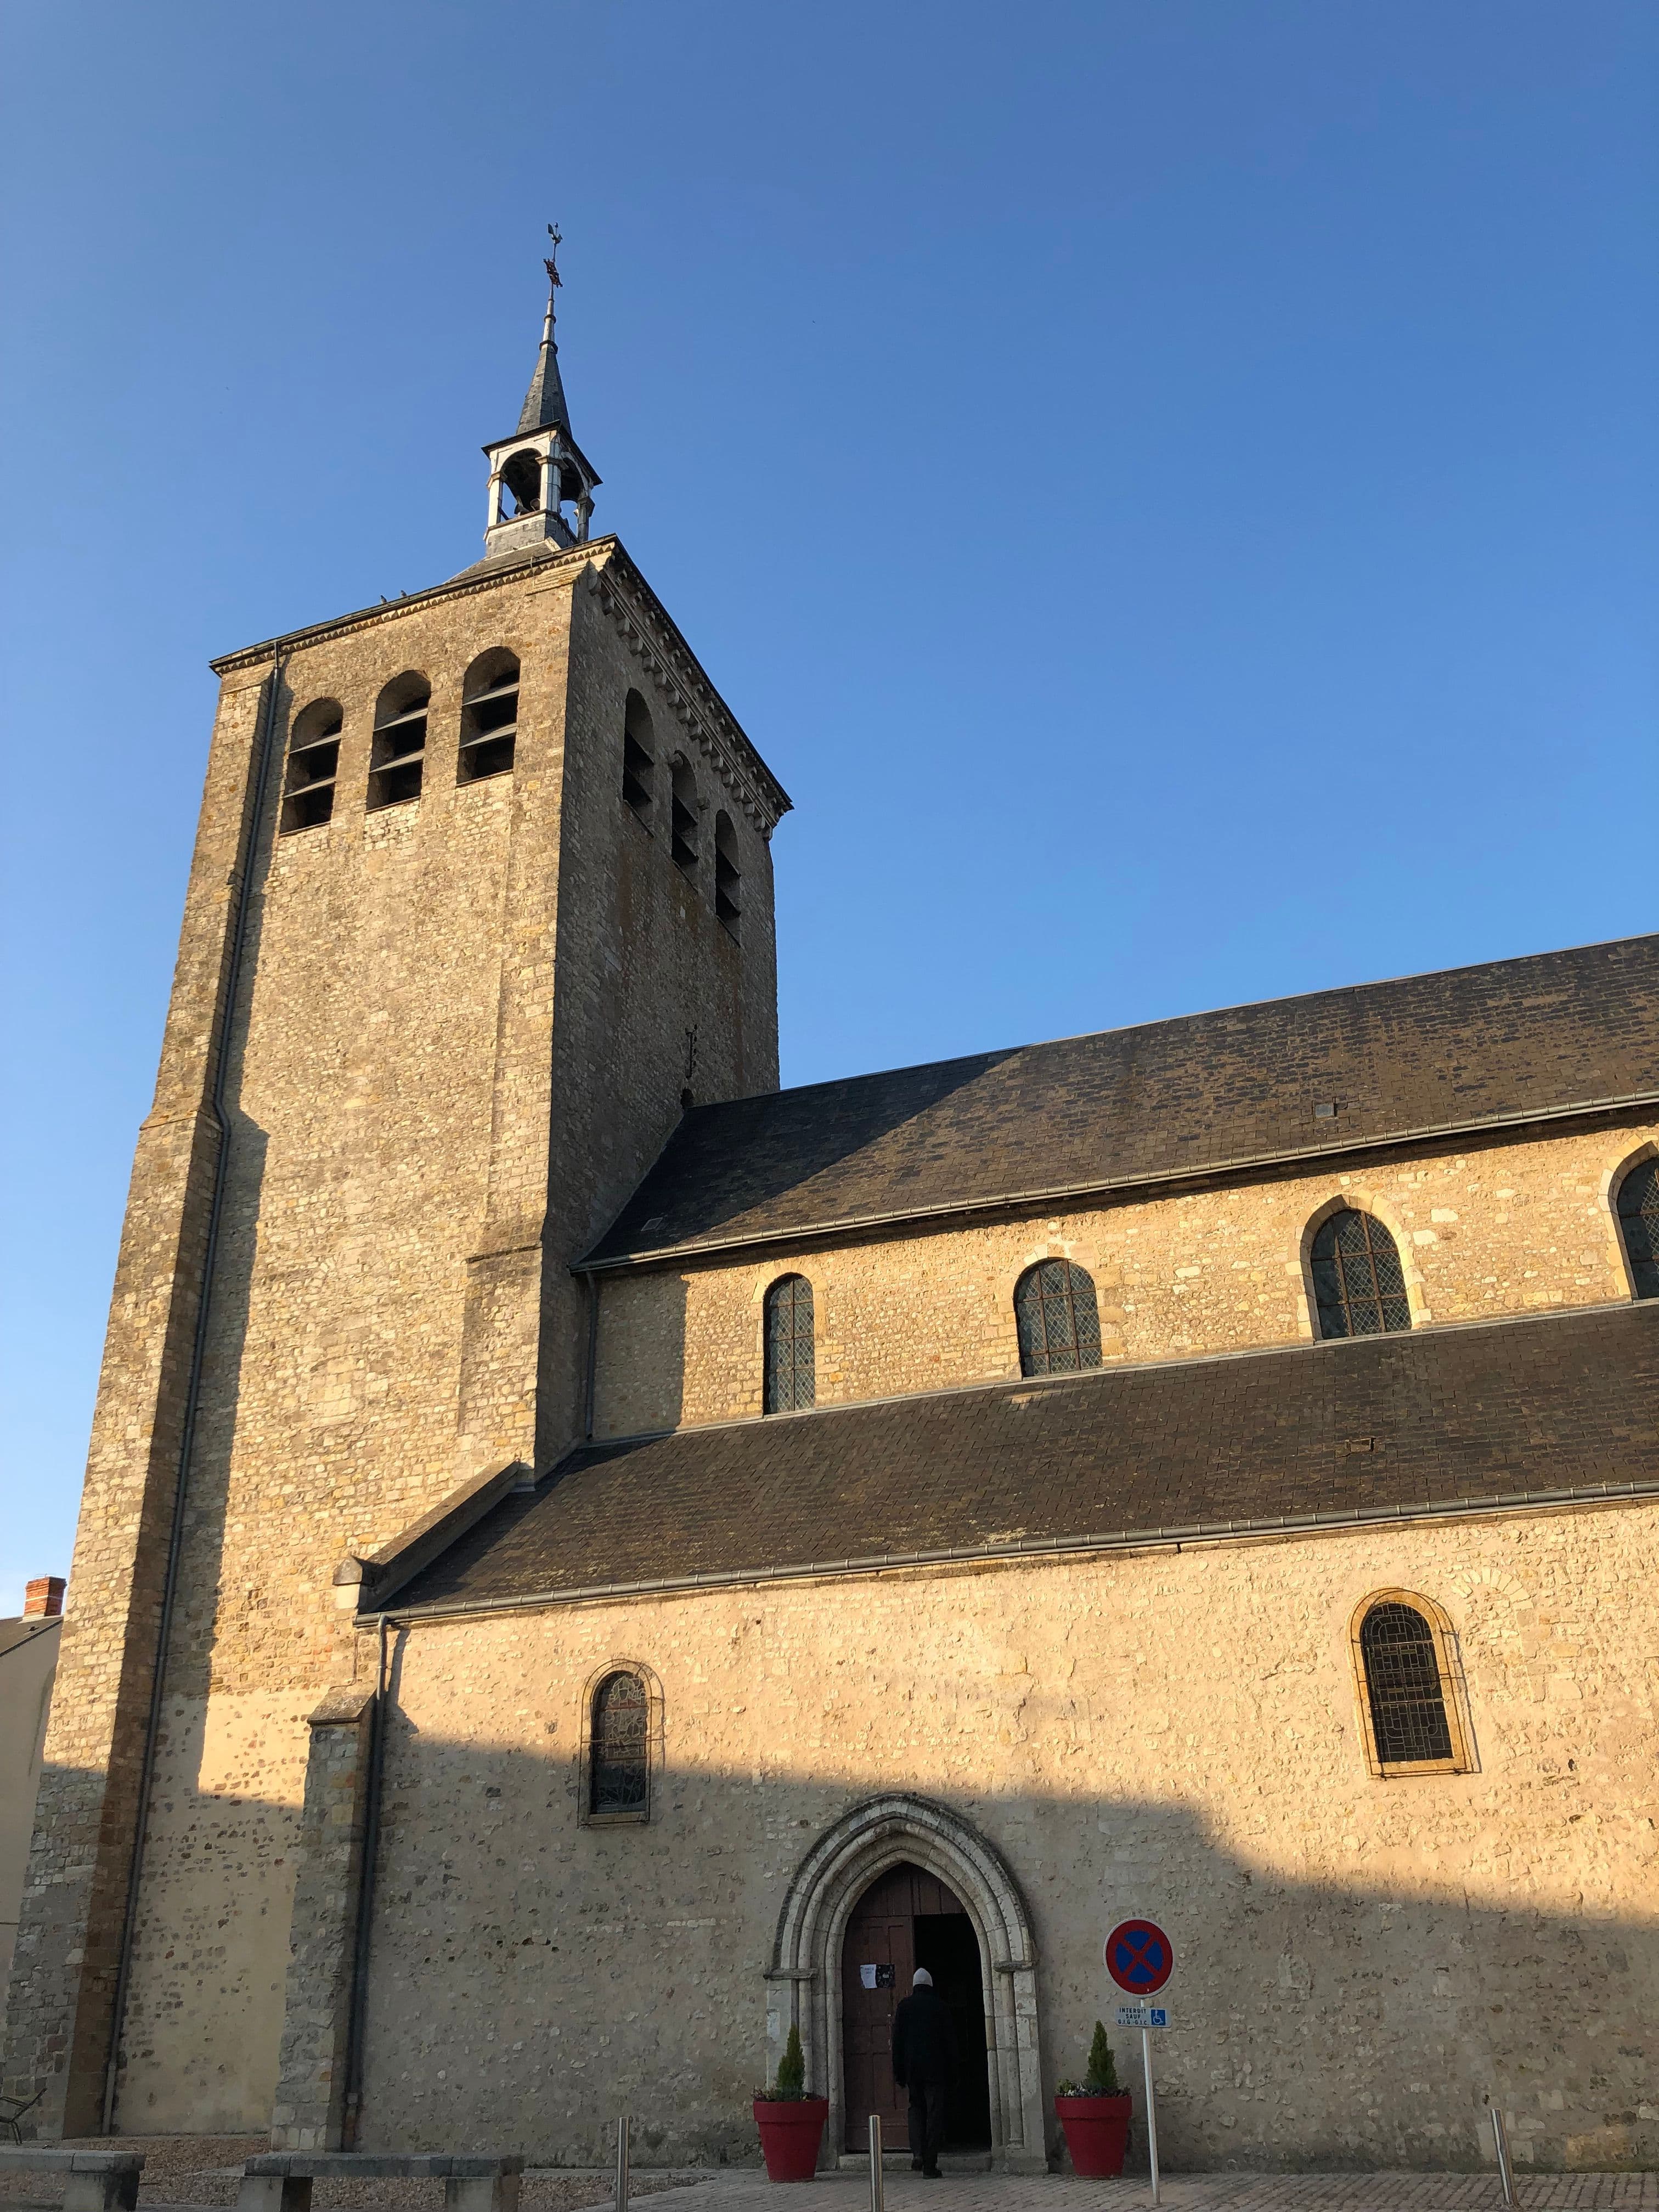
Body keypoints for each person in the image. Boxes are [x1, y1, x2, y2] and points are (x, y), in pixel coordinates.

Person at [890, 1966, 957, 2177]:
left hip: (912, 2071)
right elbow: (950, 2043)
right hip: (936, 2072)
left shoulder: (904, 2007)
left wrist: (899, 2073)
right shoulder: (940, 2007)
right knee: (934, 2114)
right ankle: (930, 2164)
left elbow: (898, 2043)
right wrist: (953, 2073)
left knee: (916, 2109)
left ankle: (918, 2153)